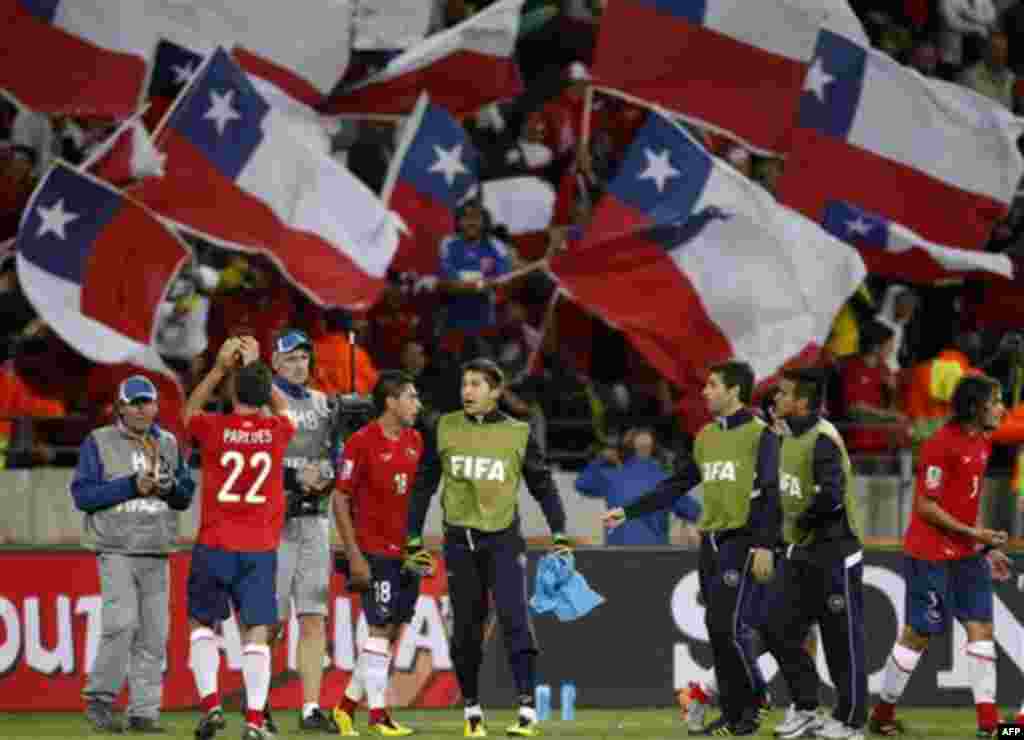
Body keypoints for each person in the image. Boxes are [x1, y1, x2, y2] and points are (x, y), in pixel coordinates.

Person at [603, 360, 780, 737]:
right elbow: (677, 485)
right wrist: (629, 511)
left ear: (734, 391)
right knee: (718, 631)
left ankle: (752, 707)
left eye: (713, 385)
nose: (705, 391)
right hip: (711, 544)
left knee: (729, 627)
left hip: (743, 540)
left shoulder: (761, 436)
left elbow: (770, 493)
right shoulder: (705, 437)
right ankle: (735, 715)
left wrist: (765, 544)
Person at [404, 358, 571, 737]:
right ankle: (472, 711)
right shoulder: (444, 427)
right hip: (459, 542)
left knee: (515, 620)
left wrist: (559, 531)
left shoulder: (518, 432)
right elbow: (423, 485)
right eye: (465, 384)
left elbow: (542, 484)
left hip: (503, 539)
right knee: (466, 629)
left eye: (477, 384)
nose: (468, 391)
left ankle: (527, 710)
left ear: (496, 392)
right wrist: (412, 537)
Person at [868, 375, 1010, 738]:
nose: (1001, 408)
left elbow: (967, 505)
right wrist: (974, 535)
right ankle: (881, 715)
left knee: (981, 630)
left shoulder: (982, 443)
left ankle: (989, 725)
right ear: (976, 407)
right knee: (919, 635)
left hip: (966, 555)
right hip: (930, 553)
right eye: (995, 402)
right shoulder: (939, 445)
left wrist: (985, 546)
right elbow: (926, 506)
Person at [183, 337, 297, 740]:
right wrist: (259, 367)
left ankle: (211, 707)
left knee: (202, 624)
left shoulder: (213, 427)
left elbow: (188, 412)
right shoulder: (276, 430)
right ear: (264, 393)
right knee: (257, 633)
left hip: (214, 544)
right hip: (259, 550)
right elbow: (289, 411)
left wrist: (217, 368)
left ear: (232, 390)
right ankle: (252, 721)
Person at [72, 375, 195, 734]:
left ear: (156, 406)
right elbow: (83, 495)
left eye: (148, 403)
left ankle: (144, 712)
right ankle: (100, 699)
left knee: (155, 635)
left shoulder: (168, 442)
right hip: (116, 547)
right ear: (120, 406)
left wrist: (171, 487)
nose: (143, 410)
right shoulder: (99, 441)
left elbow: (185, 495)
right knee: (122, 623)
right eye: (135, 403)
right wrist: (131, 485)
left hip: (157, 548)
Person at [758, 369, 867, 740]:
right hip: (801, 551)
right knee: (775, 627)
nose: (776, 399)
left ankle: (852, 722)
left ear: (802, 402)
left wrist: (801, 522)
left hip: (834, 553)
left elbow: (831, 498)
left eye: (783, 394)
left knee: (841, 641)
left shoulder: (822, 439)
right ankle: (806, 706)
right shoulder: (789, 436)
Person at [331, 370, 424, 737]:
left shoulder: (416, 441)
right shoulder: (361, 442)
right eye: (411, 397)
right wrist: (354, 554)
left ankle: (344, 708)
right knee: (379, 629)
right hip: (372, 551)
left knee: (391, 632)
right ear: (391, 401)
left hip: (406, 554)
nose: (417, 404)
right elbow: (340, 497)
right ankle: (379, 715)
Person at [267, 329, 339, 733]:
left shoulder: (323, 404)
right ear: (275, 363)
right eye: (290, 358)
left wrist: (324, 477)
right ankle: (258, 705)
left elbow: (335, 455)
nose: (299, 365)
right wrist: (296, 479)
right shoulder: (264, 402)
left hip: (315, 519)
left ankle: (311, 707)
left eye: (303, 358)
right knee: (272, 621)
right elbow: (254, 456)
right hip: (275, 522)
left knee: (314, 616)